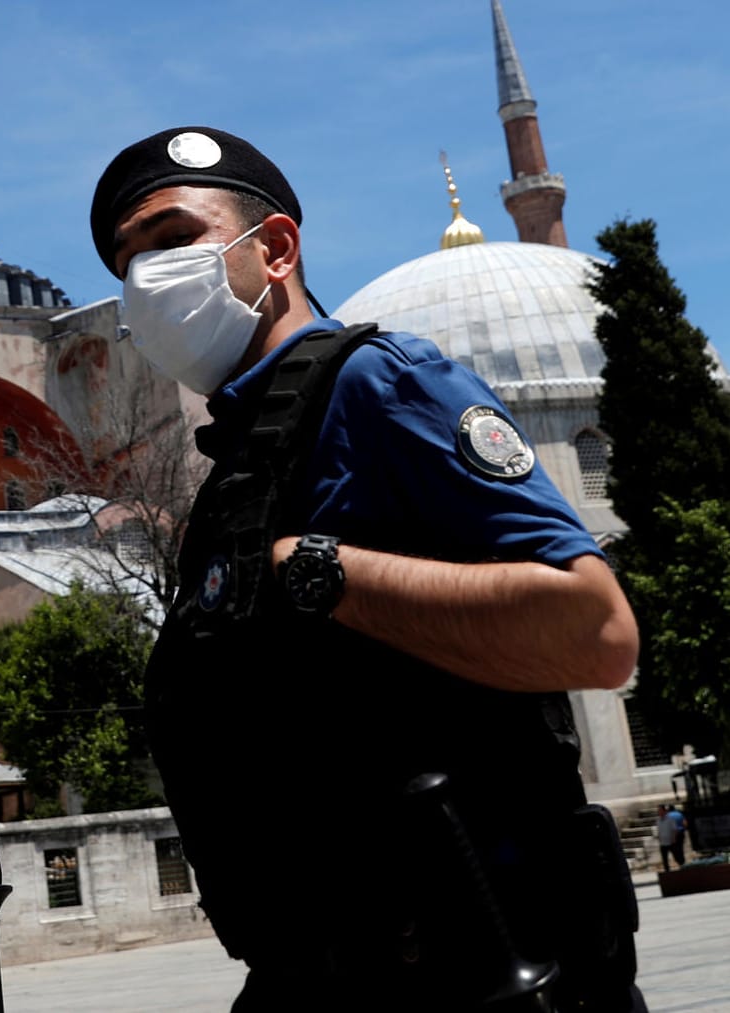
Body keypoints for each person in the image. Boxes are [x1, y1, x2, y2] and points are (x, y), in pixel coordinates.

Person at [88, 127, 645, 1012]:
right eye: (124, 262)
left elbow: (595, 630)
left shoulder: (378, 386)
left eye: (169, 240)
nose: (144, 279)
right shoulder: (238, 461)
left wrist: (313, 572)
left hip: (476, 964)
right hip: (323, 967)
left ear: (273, 248)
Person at [657, 804, 688, 871]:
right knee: (679, 850)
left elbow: (673, 829)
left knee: (674, 854)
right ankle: (682, 864)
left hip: (671, 838)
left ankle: (681, 865)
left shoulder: (669, 817)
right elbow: (685, 823)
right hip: (679, 834)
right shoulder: (679, 814)